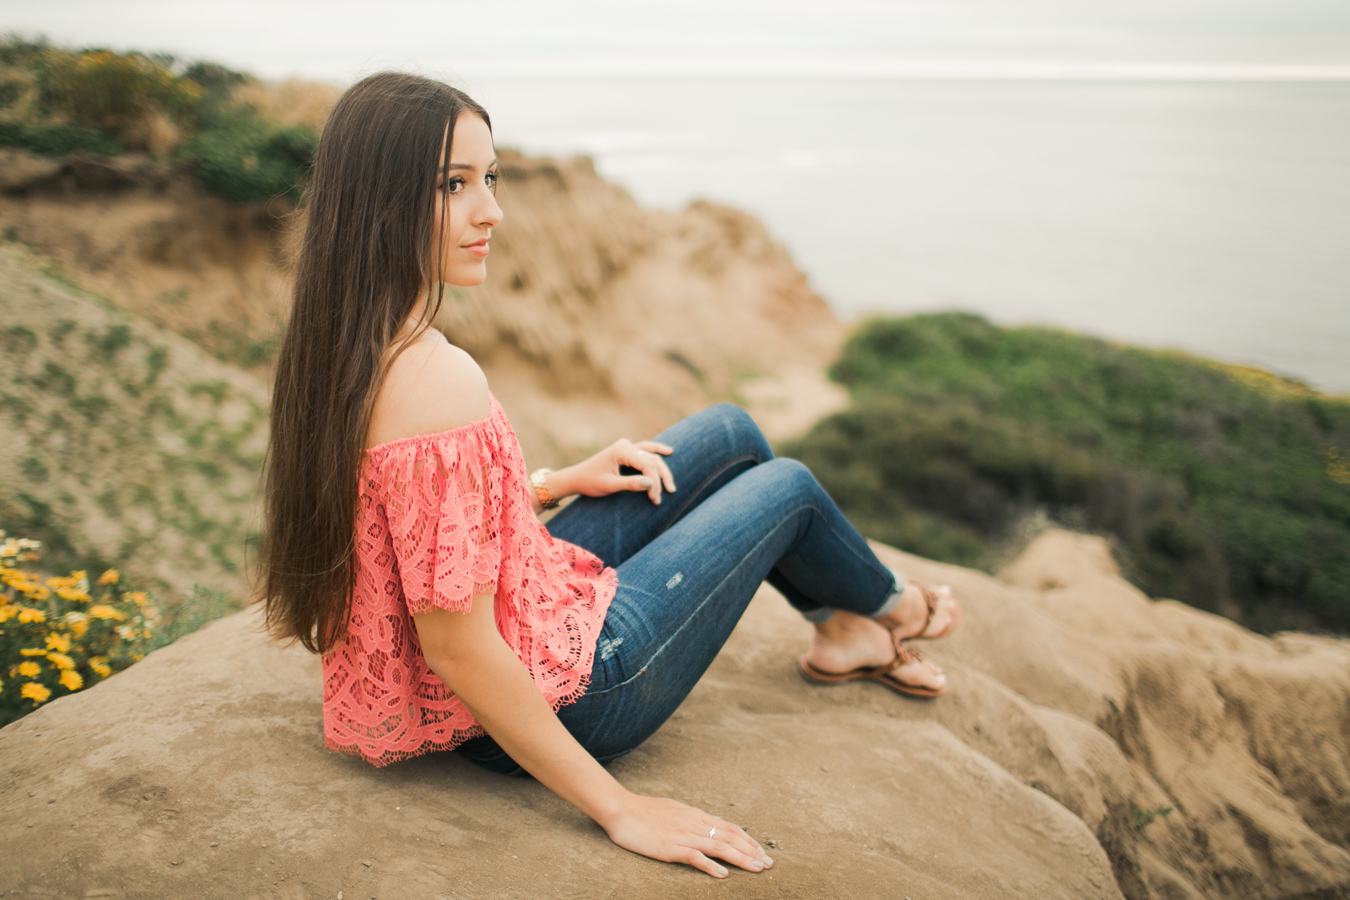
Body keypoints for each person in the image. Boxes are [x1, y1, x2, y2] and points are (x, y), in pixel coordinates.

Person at [258, 72, 961, 880]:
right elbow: (454, 645)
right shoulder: (435, 379)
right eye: (453, 185)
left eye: (491, 178)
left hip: (528, 610)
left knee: (731, 434)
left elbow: (408, 523)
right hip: (579, 693)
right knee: (788, 486)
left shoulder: (340, 343)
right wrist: (620, 809)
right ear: (378, 200)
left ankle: (844, 630)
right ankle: (895, 610)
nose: (491, 211)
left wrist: (556, 484)